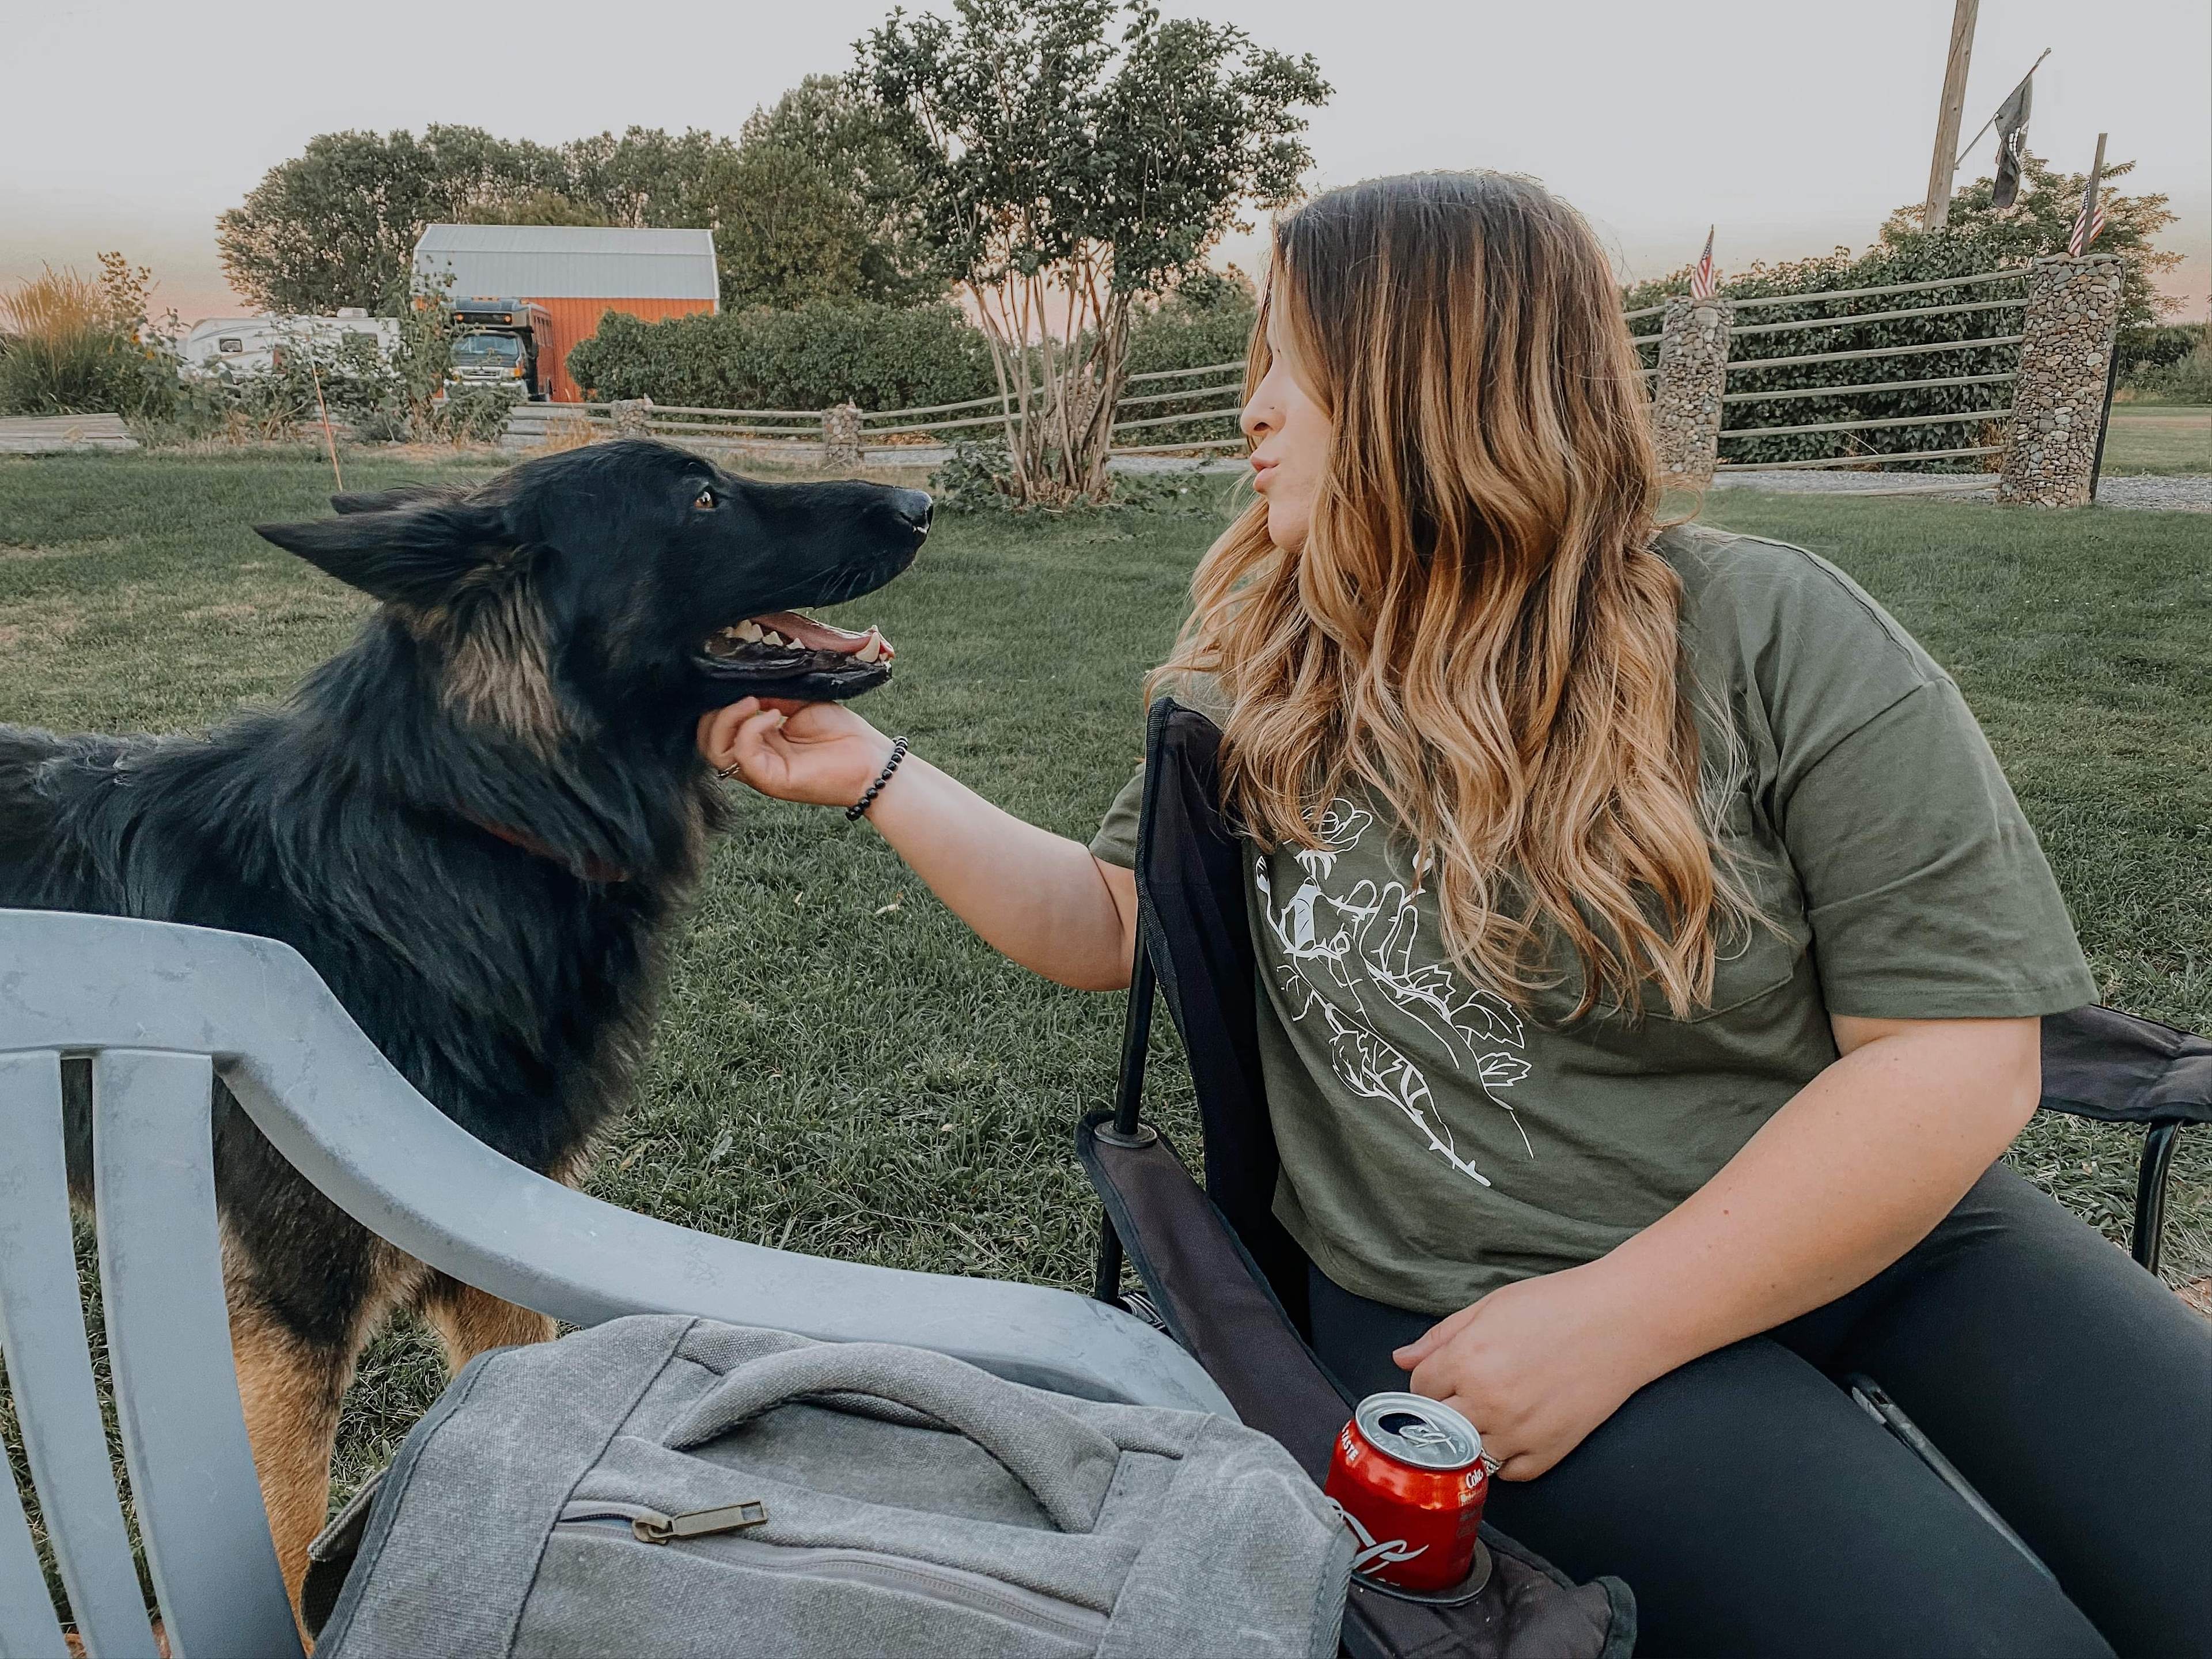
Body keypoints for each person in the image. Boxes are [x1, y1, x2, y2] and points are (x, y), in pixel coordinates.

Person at [698, 172, 2209, 1659]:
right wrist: (876, 775)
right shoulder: (1270, 668)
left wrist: (1635, 1309)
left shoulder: (1772, 635)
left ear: (1437, 380)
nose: (1255, 408)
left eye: (1294, 361)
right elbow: (1109, 925)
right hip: (1482, 1304)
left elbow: (1951, 1058)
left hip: (1881, 1233)